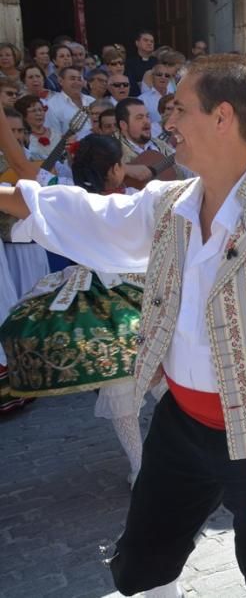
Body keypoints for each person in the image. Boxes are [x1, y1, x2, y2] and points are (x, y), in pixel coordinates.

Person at [0, 56, 246, 597]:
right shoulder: (168, 206)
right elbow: (90, 216)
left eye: (181, 110)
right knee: (143, 556)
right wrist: (10, 197)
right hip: (182, 422)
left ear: (222, 117)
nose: (169, 123)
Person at [0, 126, 148, 485]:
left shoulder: (64, 199)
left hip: (91, 301)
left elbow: (20, 176)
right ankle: (164, 461)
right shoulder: (128, 202)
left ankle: (140, 465)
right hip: (135, 297)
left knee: (119, 386)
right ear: (114, 169)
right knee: (162, 375)